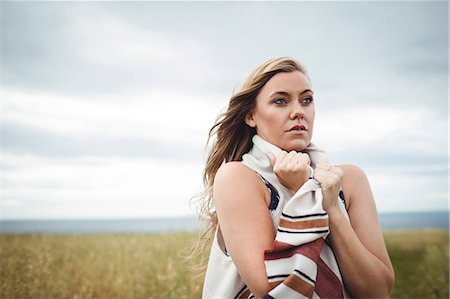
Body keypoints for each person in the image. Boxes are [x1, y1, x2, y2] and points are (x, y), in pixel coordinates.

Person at [196, 57, 394, 298]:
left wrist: (330, 206)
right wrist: (306, 195)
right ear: (251, 116)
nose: (298, 111)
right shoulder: (238, 178)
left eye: (306, 100)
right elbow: (273, 290)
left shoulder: (348, 179)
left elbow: (378, 292)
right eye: (280, 101)